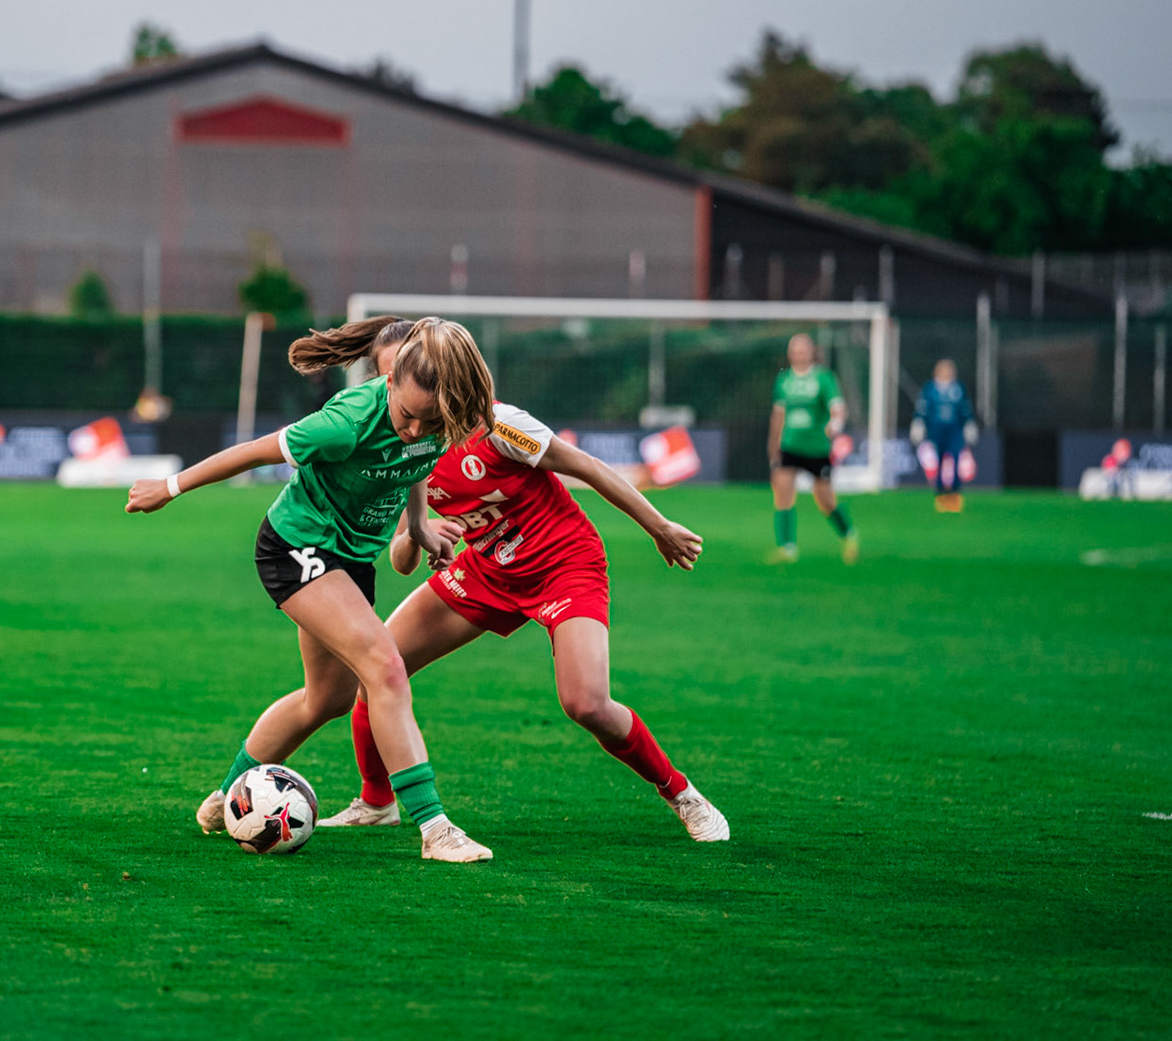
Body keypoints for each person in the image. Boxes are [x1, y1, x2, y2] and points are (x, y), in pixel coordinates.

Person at [317, 323, 730, 842]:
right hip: (486, 570)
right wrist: (421, 535)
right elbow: (401, 558)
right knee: (378, 666)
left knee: (586, 703)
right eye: (389, 380)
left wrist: (659, 527)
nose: (399, 397)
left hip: (563, 563)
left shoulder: (500, 426)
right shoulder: (396, 442)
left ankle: (681, 793)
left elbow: (588, 467)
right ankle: (377, 802)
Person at [125, 315, 497, 863]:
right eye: (407, 416)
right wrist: (170, 486)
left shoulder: (443, 413)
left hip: (351, 560)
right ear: (389, 382)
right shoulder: (344, 423)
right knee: (385, 667)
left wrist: (417, 526)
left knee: (326, 700)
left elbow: (415, 460)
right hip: (297, 545)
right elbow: (255, 450)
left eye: (430, 420)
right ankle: (435, 829)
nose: (417, 430)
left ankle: (229, 796)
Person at [768, 333, 858, 563]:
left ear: (811, 352)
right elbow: (778, 415)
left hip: (817, 448)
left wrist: (835, 423)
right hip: (790, 445)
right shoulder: (784, 380)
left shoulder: (823, 378)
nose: (798, 354)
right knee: (783, 492)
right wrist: (773, 444)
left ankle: (848, 533)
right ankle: (787, 548)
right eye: (794, 350)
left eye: (802, 350)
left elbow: (838, 407)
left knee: (825, 500)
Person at [911, 359, 977, 512]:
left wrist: (969, 424)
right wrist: (918, 423)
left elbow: (965, 409)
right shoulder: (930, 388)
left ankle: (954, 495)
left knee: (956, 460)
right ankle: (940, 495)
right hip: (936, 431)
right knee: (939, 462)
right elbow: (922, 408)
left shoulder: (958, 388)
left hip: (954, 431)